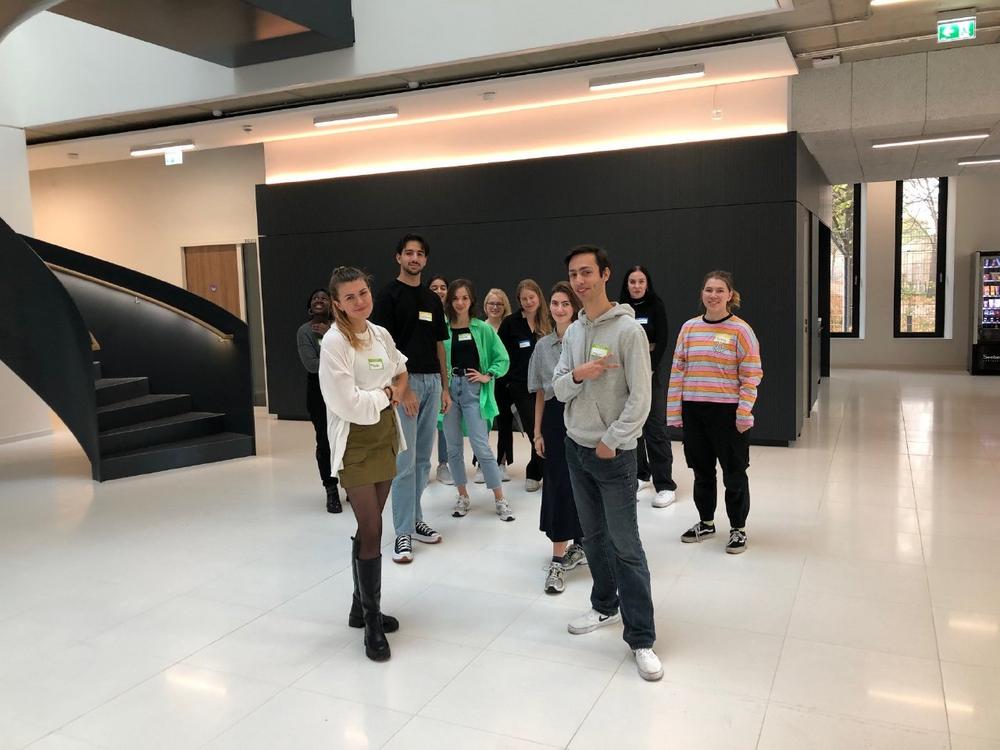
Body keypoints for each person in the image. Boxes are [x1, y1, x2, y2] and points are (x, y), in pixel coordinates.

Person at [553, 244, 662, 682]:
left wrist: (612, 441)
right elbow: (558, 388)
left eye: (586, 272)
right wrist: (580, 374)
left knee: (625, 546)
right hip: (575, 449)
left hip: (613, 455)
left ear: (604, 274)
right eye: (573, 274)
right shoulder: (573, 332)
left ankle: (642, 638)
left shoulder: (628, 331)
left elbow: (641, 398)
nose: (579, 281)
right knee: (593, 537)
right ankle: (604, 605)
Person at [319, 266, 408, 662]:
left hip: (384, 436)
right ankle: (372, 624)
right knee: (371, 529)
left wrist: (392, 391)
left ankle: (361, 607)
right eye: (350, 297)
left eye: (363, 293)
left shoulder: (380, 334)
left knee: (371, 526)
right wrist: (386, 395)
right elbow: (346, 403)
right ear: (337, 303)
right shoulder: (334, 342)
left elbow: (401, 371)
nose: (359, 301)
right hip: (355, 441)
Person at [667, 270, 762, 555]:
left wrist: (744, 412)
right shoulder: (689, 328)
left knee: (734, 474)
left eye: (720, 290)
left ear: (730, 295)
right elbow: (677, 371)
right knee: (702, 472)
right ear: (702, 294)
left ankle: (738, 528)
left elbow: (751, 374)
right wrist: (674, 412)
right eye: (709, 290)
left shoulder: (741, 330)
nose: (714, 295)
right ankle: (706, 523)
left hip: (728, 413)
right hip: (694, 410)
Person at [371, 234, 450, 565]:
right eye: (409, 253)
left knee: (422, 462)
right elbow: (384, 349)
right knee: (404, 463)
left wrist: (444, 387)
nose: (414, 258)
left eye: (419, 254)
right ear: (398, 257)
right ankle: (402, 531)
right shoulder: (387, 296)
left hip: (432, 382)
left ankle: (415, 519)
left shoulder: (432, 300)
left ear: (425, 260)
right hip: (406, 382)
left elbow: (439, 344)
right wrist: (401, 389)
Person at [529, 281, 587, 594]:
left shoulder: (585, 340)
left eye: (566, 303)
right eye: (555, 303)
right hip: (554, 418)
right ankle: (557, 559)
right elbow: (541, 393)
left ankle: (581, 543)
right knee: (558, 485)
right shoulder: (542, 346)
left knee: (583, 483)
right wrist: (537, 432)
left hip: (583, 414)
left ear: (574, 307)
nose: (560, 309)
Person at [441, 279, 514, 521]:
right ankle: (462, 496)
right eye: (455, 298)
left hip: (474, 391)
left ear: (471, 300)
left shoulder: (482, 329)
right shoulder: (442, 329)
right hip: (448, 391)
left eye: (464, 298)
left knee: (481, 446)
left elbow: (502, 358)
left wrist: (488, 375)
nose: (460, 303)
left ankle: (500, 498)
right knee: (453, 448)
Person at [619, 265, 678, 508]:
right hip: (626, 373)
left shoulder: (656, 305)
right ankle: (641, 475)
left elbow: (662, 340)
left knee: (655, 427)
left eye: (641, 281)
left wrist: (648, 368)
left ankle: (665, 485)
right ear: (627, 284)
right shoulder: (621, 308)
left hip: (650, 372)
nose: (636, 286)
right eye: (632, 281)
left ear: (647, 283)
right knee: (633, 425)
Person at [498, 279, 552, 492]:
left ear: (539, 297)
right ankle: (549, 474)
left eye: (532, 297)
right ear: (518, 301)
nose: (528, 302)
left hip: (546, 386)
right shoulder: (510, 323)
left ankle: (533, 471)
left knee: (546, 428)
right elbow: (500, 354)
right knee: (534, 430)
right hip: (520, 386)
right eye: (524, 298)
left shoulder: (548, 320)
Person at [297, 289, 342, 513]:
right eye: (315, 298)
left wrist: (329, 335)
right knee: (325, 442)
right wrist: (329, 341)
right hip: (319, 393)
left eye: (324, 298)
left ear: (332, 304)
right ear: (310, 306)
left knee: (346, 439)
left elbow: (351, 358)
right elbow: (312, 365)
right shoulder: (304, 332)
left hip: (343, 390)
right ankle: (331, 489)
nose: (319, 300)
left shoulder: (340, 328)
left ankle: (352, 485)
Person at [476, 288, 514, 482]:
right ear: (485, 306)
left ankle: (502, 462)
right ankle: (481, 463)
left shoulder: (509, 328)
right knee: (482, 423)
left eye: (499, 304)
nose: (495, 307)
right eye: (491, 303)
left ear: (505, 306)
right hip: (484, 382)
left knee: (505, 423)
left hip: (504, 383)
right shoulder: (479, 328)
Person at [429, 275, 454, 486]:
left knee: (445, 423)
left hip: (452, 378)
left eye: (443, 287)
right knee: (426, 424)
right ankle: (419, 467)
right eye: (434, 287)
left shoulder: (455, 316)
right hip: (429, 376)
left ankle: (444, 464)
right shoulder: (425, 314)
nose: (439, 291)